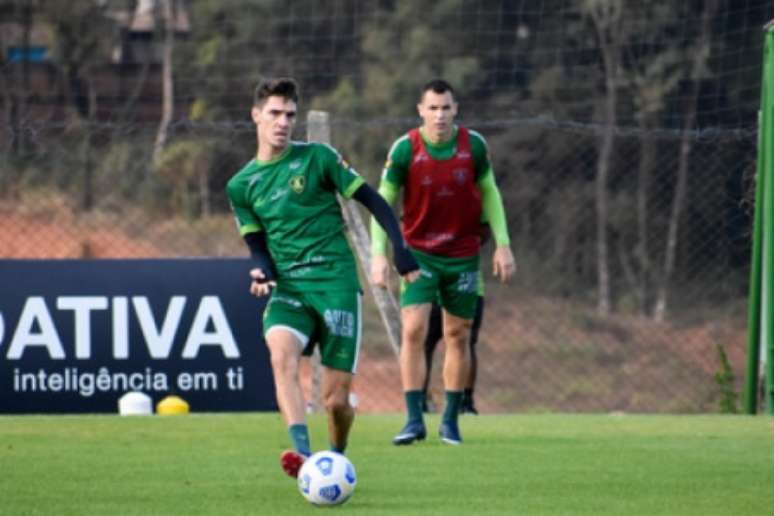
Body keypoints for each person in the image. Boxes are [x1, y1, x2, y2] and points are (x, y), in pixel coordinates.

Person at [227, 77, 419, 478]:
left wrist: (400, 250)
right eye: (275, 113)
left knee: (335, 402)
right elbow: (257, 243)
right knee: (281, 356)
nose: (283, 122)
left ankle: (336, 453)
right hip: (291, 289)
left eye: (290, 115)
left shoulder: (319, 158)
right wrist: (261, 267)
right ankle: (303, 457)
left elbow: (374, 200)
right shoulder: (241, 185)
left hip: (335, 285)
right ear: (256, 115)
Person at [371, 79, 515, 446]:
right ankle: (413, 419)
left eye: (445, 108)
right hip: (418, 254)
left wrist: (503, 244)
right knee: (414, 330)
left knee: (458, 334)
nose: (439, 115)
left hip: (463, 255)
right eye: (432, 108)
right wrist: (379, 255)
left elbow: (490, 192)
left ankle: (450, 421)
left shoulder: (474, 146)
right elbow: (381, 203)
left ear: (456, 109)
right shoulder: (406, 149)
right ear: (421, 111)